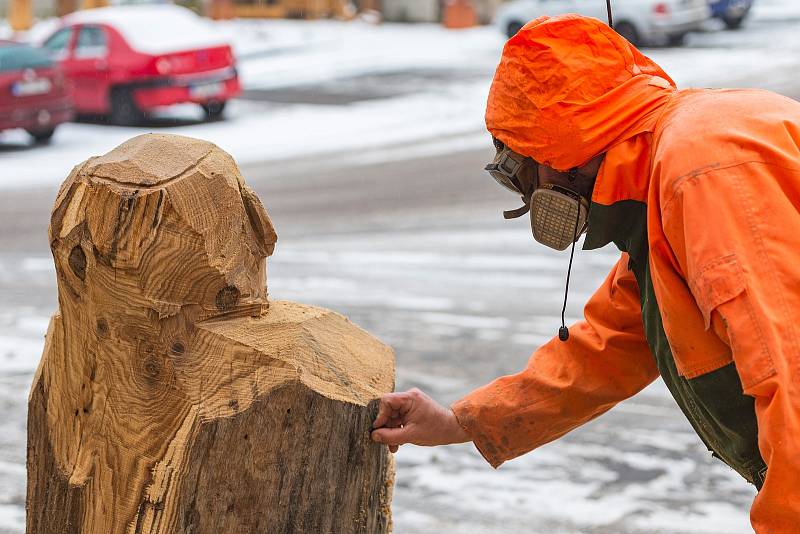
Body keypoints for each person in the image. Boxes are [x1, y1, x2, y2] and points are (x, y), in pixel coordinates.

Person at [370, 14, 800, 532]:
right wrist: (464, 422)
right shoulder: (661, 183)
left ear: (559, 153)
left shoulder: (699, 170)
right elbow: (608, 344)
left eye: (520, 173)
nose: (529, 198)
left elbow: (789, 373)